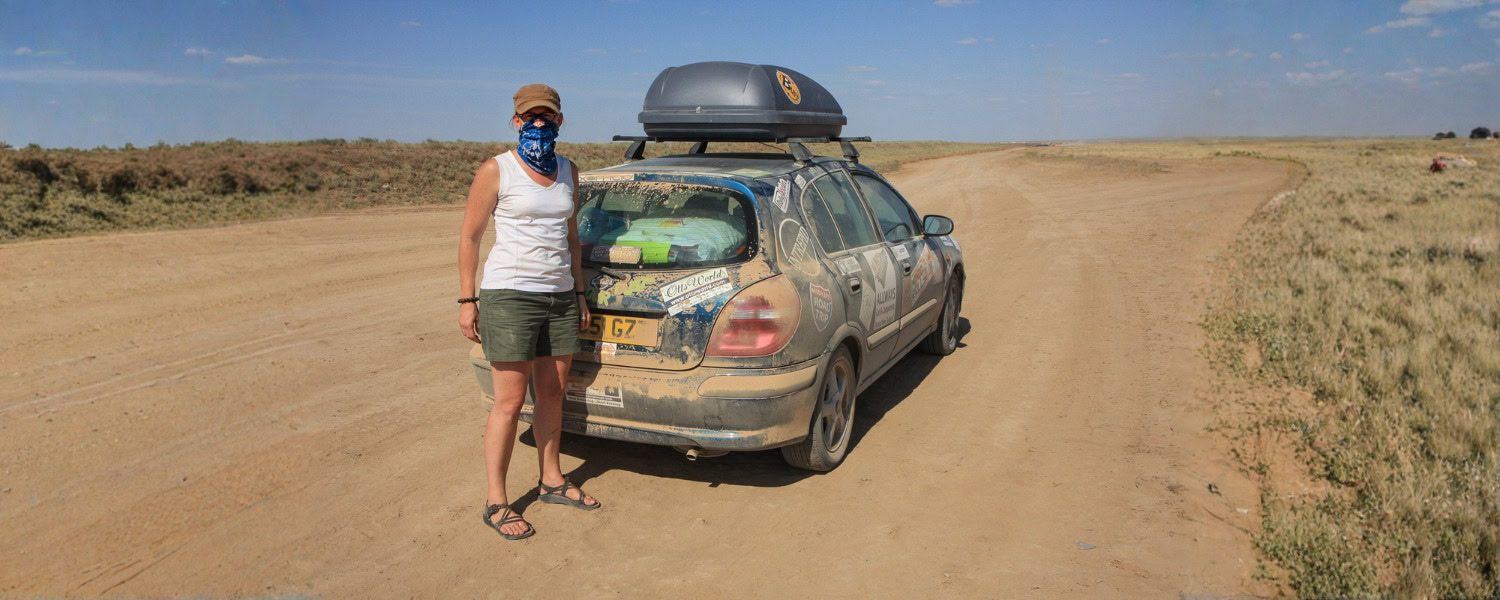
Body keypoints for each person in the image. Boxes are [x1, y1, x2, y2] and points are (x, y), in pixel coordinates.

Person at [458, 83, 601, 541]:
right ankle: (496, 501)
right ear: (516, 121)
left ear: (559, 120)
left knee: (553, 391)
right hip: (510, 296)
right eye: (530, 116)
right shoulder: (496, 170)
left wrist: (578, 293)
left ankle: (551, 480)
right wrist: (467, 300)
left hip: (559, 297)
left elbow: (571, 237)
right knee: (510, 401)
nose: (539, 123)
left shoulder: (569, 170)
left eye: (547, 116)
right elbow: (470, 238)